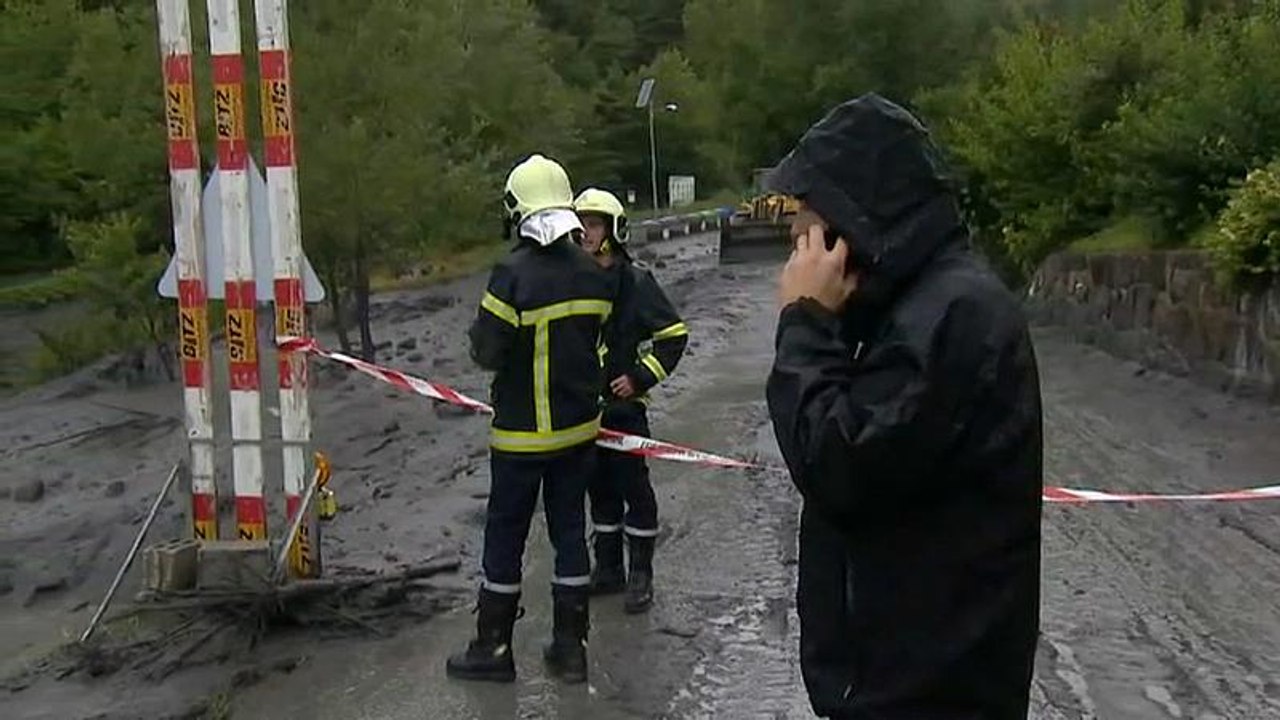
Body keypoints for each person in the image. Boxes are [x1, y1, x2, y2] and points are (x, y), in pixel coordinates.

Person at [763, 93, 1044, 719]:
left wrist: (805, 323)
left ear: (850, 218)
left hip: (929, 689)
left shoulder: (949, 316)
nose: (793, 235)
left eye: (805, 214)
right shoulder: (914, 304)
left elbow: (837, 460)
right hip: (908, 678)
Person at [447, 154, 614, 685]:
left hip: (521, 437)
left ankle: (493, 649)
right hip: (579, 433)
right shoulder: (594, 272)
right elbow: (595, 345)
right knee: (570, 534)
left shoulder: (511, 274)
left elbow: (487, 352)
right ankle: (570, 648)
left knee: (505, 538)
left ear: (516, 208)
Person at [572, 188, 688, 614]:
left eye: (595, 223)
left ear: (613, 230)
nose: (585, 230)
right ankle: (609, 570)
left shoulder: (636, 282)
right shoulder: (575, 278)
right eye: (581, 221)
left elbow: (674, 337)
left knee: (633, 488)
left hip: (624, 411)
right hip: (584, 411)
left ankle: (641, 573)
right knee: (598, 491)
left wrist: (639, 378)